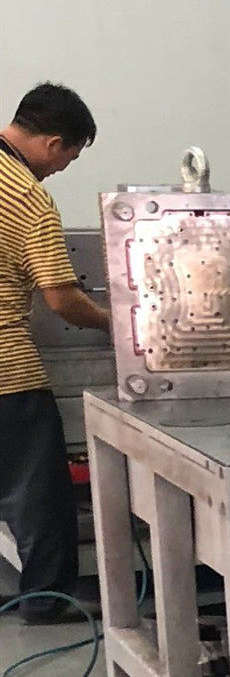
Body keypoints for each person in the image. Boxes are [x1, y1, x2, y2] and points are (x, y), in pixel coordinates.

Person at [1, 82, 110, 622]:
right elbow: (62, 298)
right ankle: (47, 600)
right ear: (53, 143)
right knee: (39, 492)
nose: (63, 168)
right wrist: (119, 323)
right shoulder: (27, 195)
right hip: (7, 374)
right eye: (70, 156)